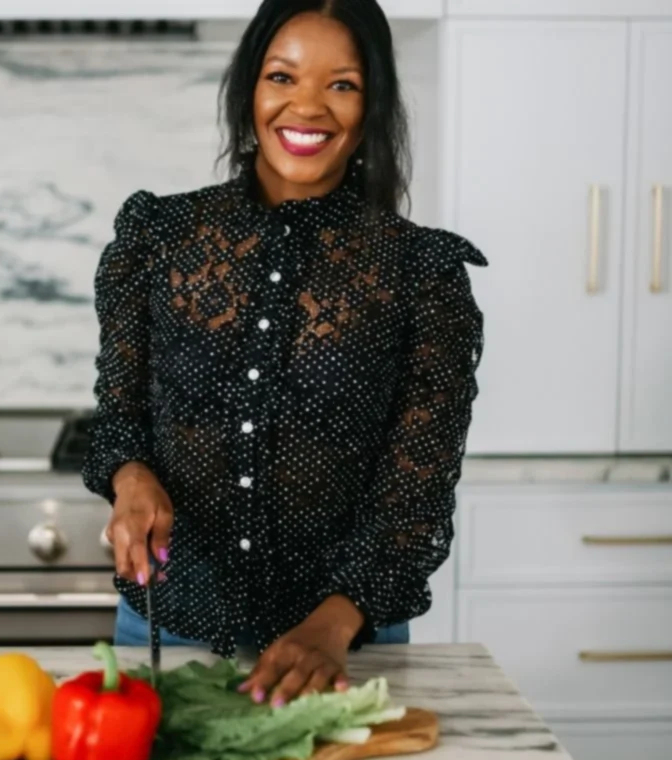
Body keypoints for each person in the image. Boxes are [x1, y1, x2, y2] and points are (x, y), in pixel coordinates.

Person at [83, 0, 485, 706]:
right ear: (250, 92)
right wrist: (132, 477)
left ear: (372, 108)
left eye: (343, 84)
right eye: (283, 76)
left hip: (344, 641)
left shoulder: (422, 273)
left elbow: (415, 493)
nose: (308, 107)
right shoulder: (158, 238)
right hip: (172, 627)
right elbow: (119, 413)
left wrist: (331, 625)